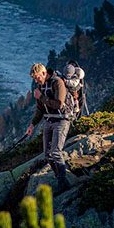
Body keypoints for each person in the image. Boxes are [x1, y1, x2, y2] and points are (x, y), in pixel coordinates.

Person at [24, 62, 77, 192]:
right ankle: (59, 177)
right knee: (47, 154)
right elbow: (40, 109)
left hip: (62, 120)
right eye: (34, 79)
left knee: (56, 152)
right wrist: (32, 125)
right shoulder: (40, 87)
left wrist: (41, 97)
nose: (37, 80)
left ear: (44, 73)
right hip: (49, 120)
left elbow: (59, 104)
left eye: (38, 77)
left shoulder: (58, 82)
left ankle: (63, 183)